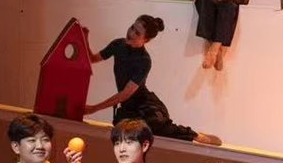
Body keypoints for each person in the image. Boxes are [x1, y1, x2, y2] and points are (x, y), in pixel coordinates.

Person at [86, 14, 221, 145]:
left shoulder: (144, 60)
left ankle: (195, 135)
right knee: (124, 129)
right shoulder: (117, 45)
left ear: (146, 40)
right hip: (129, 108)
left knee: (152, 127)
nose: (131, 33)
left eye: (137, 33)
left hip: (146, 105)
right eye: (132, 27)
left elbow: (125, 94)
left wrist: (94, 108)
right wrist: (83, 38)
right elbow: (91, 59)